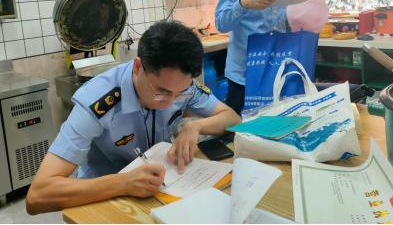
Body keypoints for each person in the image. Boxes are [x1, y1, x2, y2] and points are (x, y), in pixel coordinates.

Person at [26, 20, 241, 214]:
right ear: (138, 67)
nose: (170, 102)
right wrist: (124, 183)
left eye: (180, 94)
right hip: (104, 198)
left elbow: (232, 118)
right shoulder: (97, 100)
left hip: (159, 189)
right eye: (162, 92)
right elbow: (38, 195)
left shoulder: (181, 86)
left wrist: (194, 127)